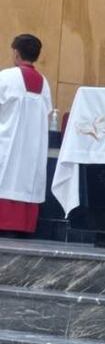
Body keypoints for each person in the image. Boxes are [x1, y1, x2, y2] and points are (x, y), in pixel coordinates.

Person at [0, 34, 51, 234]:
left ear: (16, 52)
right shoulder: (44, 83)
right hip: (32, 148)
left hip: (8, 142)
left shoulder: (6, 77)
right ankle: (24, 225)